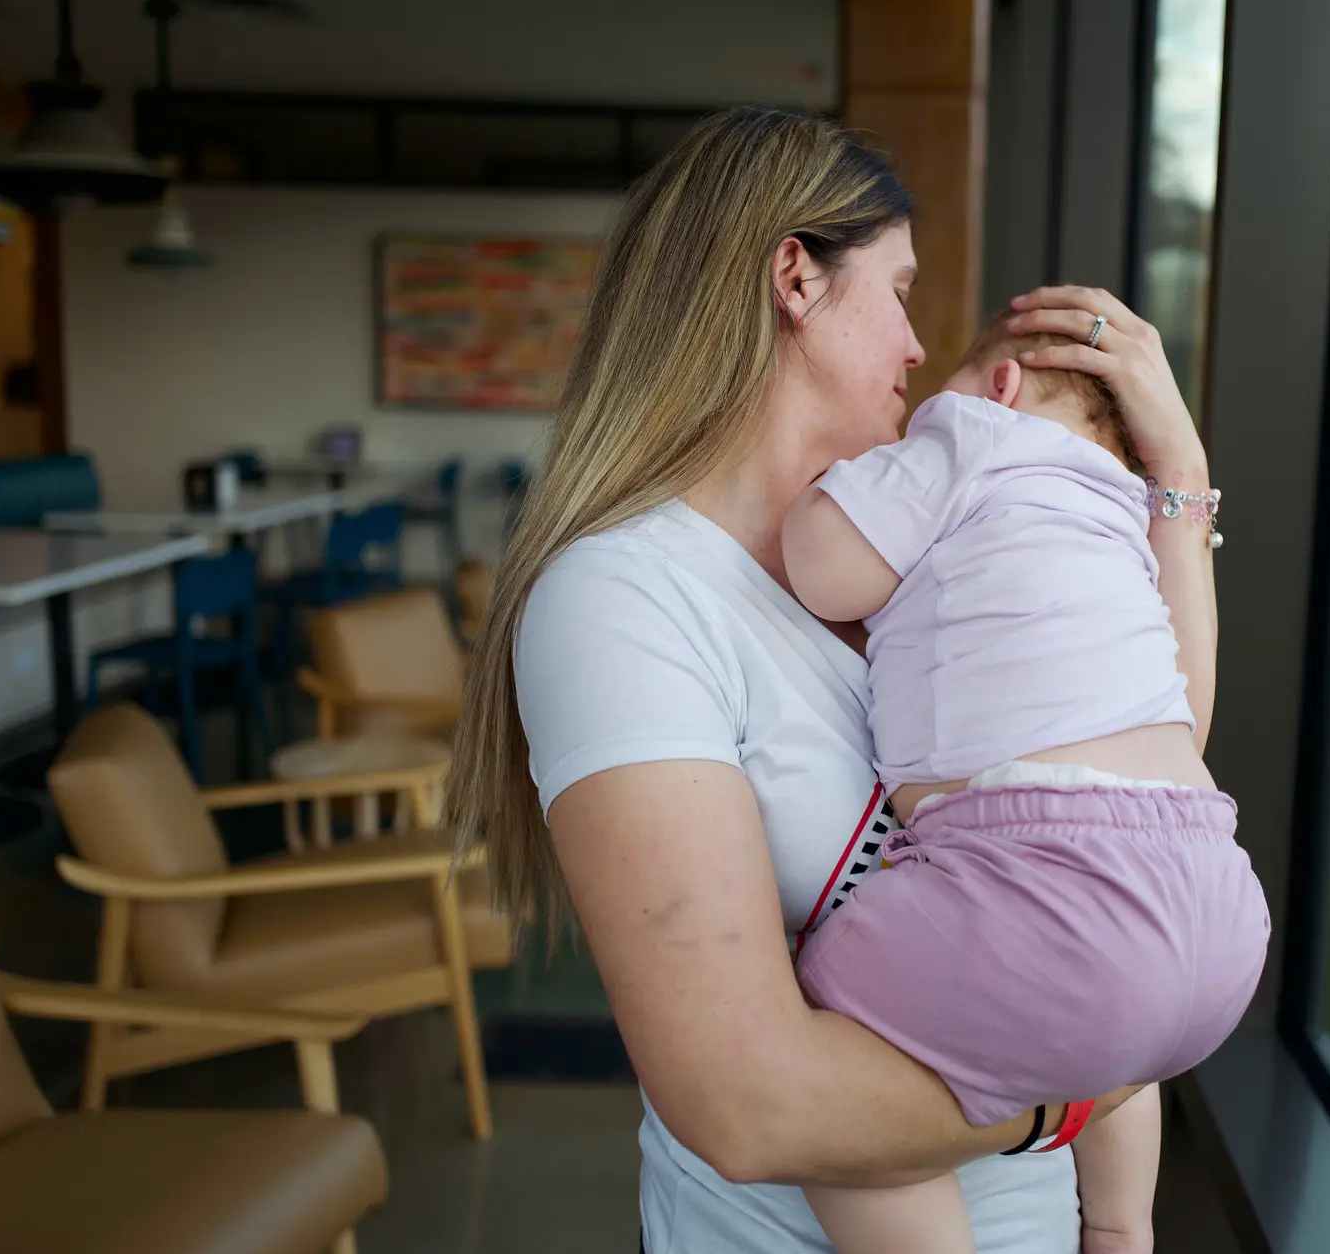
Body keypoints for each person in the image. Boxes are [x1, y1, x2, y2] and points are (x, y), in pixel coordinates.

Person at [445, 107, 1221, 1254]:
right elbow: (746, 1108)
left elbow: (1155, 750)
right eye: (898, 290)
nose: (915, 345)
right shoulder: (624, 596)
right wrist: (1069, 1096)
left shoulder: (921, 540)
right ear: (794, 278)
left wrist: (1178, 482)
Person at [781, 314, 1270, 1254]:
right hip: (1215, 905)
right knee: (1114, 1030)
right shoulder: (1122, 517)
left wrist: (830, 492)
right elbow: (1178, 718)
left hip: (1045, 893)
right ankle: (1120, 1224)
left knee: (815, 1046)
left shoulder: (972, 439)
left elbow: (823, 566)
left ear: (999, 386)